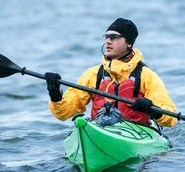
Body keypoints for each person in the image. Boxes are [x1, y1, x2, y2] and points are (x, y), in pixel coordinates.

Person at [45, 18, 177, 127]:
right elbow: (64, 114)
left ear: (129, 43)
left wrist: (153, 109)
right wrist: (55, 96)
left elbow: (171, 119)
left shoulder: (146, 76)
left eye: (114, 37)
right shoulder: (93, 74)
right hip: (100, 130)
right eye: (106, 37)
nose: (108, 41)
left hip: (137, 133)